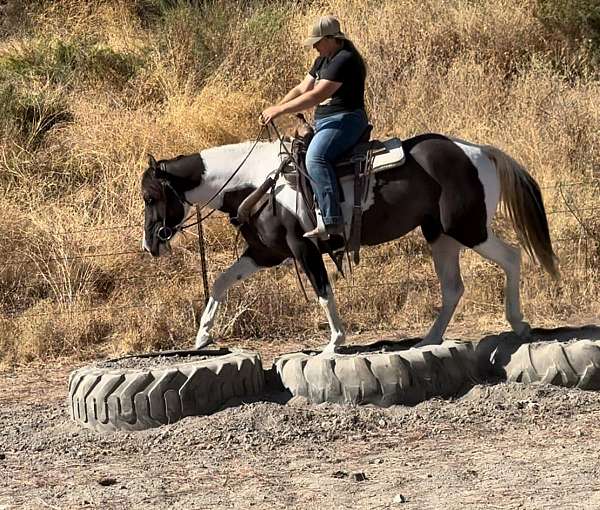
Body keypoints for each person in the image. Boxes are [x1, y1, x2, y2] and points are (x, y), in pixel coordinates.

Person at [260, 15, 368, 238]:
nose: (315, 47)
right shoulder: (324, 59)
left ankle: (331, 220)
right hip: (326, 122)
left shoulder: (345, 59)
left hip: (346, 120)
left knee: (315, 158)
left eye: (318, 42)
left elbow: (316, 96)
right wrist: (275, 107)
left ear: (331, 39)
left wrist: (279, 111)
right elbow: (302, 88)